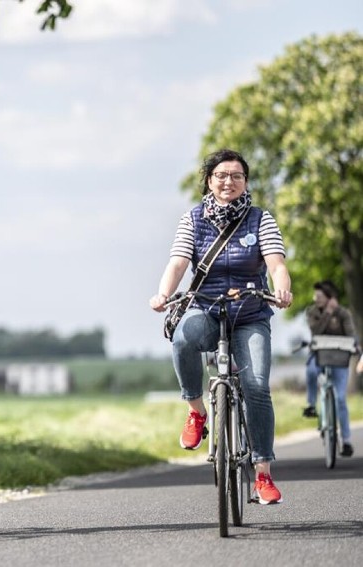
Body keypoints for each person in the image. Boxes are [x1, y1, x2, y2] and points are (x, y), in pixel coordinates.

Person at [149, 149, 293, 505]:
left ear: (246, 182)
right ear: (210, 181)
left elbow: (275, 264)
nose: (229, 182)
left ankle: (262, 475)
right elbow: (179, 261)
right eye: (221, 175)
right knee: (183, 339)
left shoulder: (261, 219)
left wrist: (282, 288)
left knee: (257, 387)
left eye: (237, 176)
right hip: (207, 308)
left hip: (250, 314)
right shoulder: (193, 219)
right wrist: (163, 294)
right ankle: (197, 410)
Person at [303, 280, 356, 457]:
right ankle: (311, 404)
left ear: (329, 297)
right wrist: (327, 313)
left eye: (319, 296)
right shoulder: (311, 312)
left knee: (341, 399)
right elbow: (316, 332)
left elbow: (351, 335)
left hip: (339, 358)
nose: (315, 299)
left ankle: (346, 440)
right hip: (320, 356)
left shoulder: (343, 314)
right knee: (310, 371)